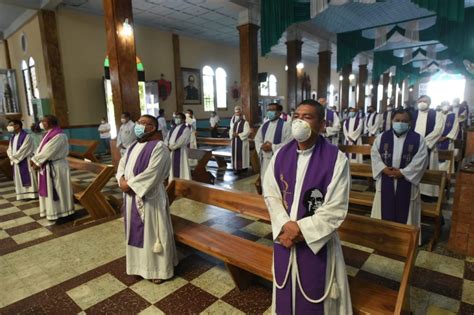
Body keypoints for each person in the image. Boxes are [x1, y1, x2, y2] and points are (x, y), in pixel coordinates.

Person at [263, 99, 352, 314]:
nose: (299, 121)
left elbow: (335, 207)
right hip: (284, 235)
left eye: (307, 117)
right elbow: (271, 194)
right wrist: (285, 225)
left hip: (315, 239)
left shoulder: (336, 158)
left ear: (322, 125)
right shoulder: (281, 154)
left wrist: (300, 230)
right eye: (297, 116)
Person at [117, 114, 178, 284]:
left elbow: (154, 173)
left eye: (145, 123)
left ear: (153, 128)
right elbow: (121, 166)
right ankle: (139, 267)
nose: (140, 125)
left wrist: (129, 185)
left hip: (150, 197)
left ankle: (158, 269)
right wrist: (121, 179)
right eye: (139, 122)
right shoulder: (131, 147)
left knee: (153, 234)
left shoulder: (160, 147)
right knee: (135, 234)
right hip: (131, 197)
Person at [370, 109, 428, 235]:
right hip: (386, 179)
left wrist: (403, 173)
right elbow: (375, 156)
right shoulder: (381, 138)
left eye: (404, 121)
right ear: (392, 121)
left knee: (406, 211)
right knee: (383, 208)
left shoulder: (418, 140)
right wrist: (383, 168)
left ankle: (406, 239)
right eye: (397, 120)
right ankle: (381, 236)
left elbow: (421, 160)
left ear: (410, 123)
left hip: (407, 181)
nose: (400, 123)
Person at [31, 115, 74, 221]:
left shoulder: (59, 135)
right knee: (50, 190)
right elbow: (40, 149)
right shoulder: (48, 134)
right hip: (47, 165)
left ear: (50, 123)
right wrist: (35, 159)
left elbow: (48, 151)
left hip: (56, 167)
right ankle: (52, 211)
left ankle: (64, 213)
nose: (41, 123)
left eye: (43, 121)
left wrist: (36, 161)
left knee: (59, 190)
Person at [413, 95, 444, 199]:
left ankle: (428, 195)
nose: (422, 102)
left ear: (429, 102)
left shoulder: (437, 114)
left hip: (429, 147)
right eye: (420, 101)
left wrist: (423, 143)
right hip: (414, 147)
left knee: (429, 170)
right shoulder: (413, 114)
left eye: (424, 101)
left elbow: (438, 130)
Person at [255, 103, 291, 180]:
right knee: (265, 180)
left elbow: (289, 143)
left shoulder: (286, 126)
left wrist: (272, 147)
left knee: (276, 181)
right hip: (265, 160)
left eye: (272, 110)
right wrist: (261, 146)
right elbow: (257, 139)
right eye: (268, 110)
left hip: (278, 159)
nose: (269, 112)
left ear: (279, 113)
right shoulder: (264, 125)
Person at [6, 120, 38, 200]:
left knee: (28, 177)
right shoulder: (13, 137)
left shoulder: (26, 136)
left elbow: (25, 149)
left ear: (17, 126)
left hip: (25, 160)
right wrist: (11, 157)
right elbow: (9, 149)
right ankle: (22, 195)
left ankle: (31, 195)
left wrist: (14, 158)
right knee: (18, 178)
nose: (9, 127)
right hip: (16, 161)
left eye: (11, 125)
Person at [165, 112, 191, 180]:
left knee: (181, 168)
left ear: (183, 119)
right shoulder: (172, 128)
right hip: (171, 151)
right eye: (175, 118)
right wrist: (166, 146)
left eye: (178, 118)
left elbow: (182, 141)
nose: (176, 119)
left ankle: (183, 182)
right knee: (172, 169)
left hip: (180, 151)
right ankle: (172, 181)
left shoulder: (186, 129)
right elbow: (167, 138)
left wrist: (171, 147)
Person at [438, 103, 459, 174]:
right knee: (435, 160)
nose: (445, 106)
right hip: (436, 141)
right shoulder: (437, 114)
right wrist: (436, 137)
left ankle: (446, 176)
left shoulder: (453, 115)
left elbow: (455, 128)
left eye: (446, 104)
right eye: (443, 103)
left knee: (447, 162)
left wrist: (445, 137)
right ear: (440, 106)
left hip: (448, 141)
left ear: (449, 106)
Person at [230, 106, 250, 174]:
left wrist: (238, 135)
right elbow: (231, 130)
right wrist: (232, 134)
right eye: (236, 114)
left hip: (242, 142)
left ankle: (243, 168)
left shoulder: (245, 123)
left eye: (238, 114)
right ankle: (236, 167)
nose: (237, 115)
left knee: (242, 155)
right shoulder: (234, 123)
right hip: (235, 142)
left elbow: (247, 132)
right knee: (235, 155)